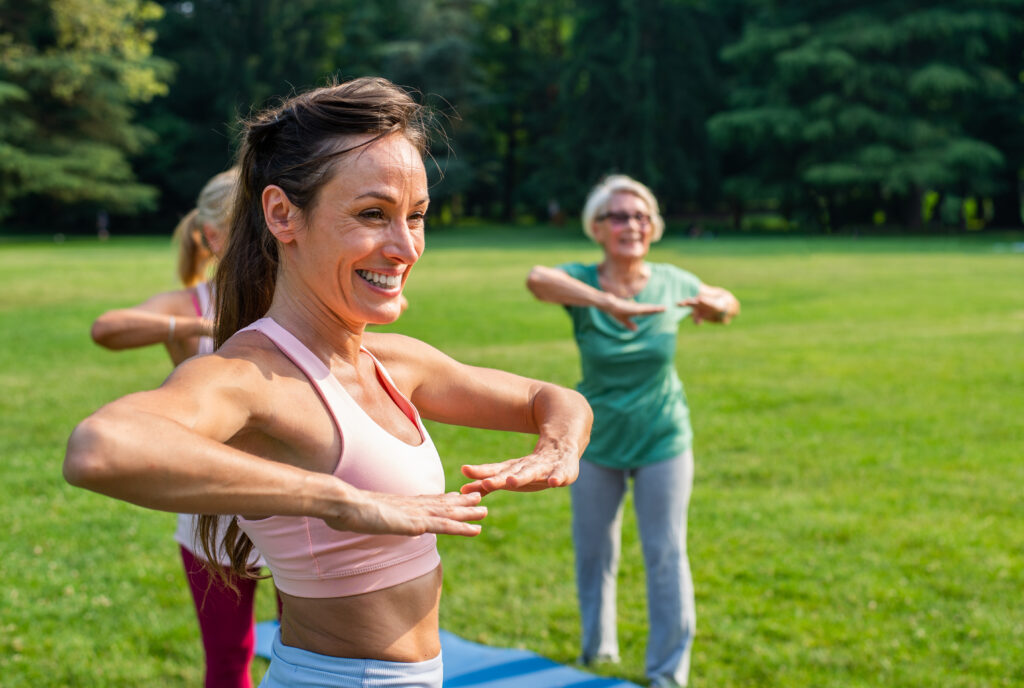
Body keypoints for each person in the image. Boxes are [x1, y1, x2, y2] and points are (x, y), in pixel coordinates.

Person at [64, 76, 592, 688]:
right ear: (282, 215)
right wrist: (341, 501)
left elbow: (550, 399)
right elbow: (100, 448)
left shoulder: (393, 361)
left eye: (416, 216)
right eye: (372, 214)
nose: (405, 247)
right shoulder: (252, 376)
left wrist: (559, 446)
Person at [525, 174, 740, 688]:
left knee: (666, 551)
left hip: (663, 438)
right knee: (594, 551)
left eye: (641, 216)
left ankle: (667, 672)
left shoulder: (672, 281)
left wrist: (720, 307)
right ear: (597, 228)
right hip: (596, 440)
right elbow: (536, 278)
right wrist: (607, 302)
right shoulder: (581, 281)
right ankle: (597, 650)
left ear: (654, 227)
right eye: (618, 216)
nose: (632, 225)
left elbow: (726, 302)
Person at [91, 167, 280, 688]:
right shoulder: (191, 303)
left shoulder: (294, 295)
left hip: (294, 498)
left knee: (311, 650)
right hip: (212, 507)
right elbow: (107, 328)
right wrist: (200, 325)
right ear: (214, 237)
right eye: (251, 226)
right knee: (229, 656)